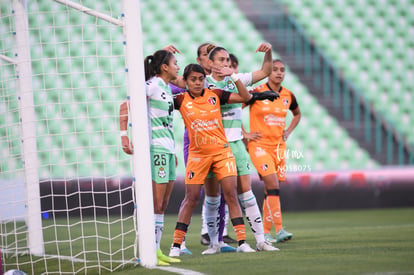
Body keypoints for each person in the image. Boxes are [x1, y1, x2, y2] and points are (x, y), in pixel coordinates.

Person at [168, 63, 279, 257]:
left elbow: (245, 97)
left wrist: (234, 76)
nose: (197, 83)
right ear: (185, 82)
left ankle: (243, 242)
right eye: (193, 79)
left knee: (230, 194)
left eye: (200, 79)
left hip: (222, 153)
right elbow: (154, 101)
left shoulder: (215, 94)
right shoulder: (180, 99)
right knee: (191, 198)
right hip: (198, 156)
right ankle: (176, 245)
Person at [202, 44, 279, 253]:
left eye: (228, 60)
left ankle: (261, 240)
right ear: (210, 63)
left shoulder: (236, 79)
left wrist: (268, 52)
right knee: (212, 197)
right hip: (213, 145)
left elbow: (265, 71)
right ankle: (214, 243)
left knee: (246, 192)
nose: (226, 64)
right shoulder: (204, 84)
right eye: (221, 60)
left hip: (235, 143)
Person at [119, 49, 181, 266]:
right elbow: (125, 105)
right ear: (164, 67)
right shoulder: (152, 85)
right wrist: (124, 136)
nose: (178, 67)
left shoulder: (166, 87)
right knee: (155, 202)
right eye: (175, 63)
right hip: (155, 150)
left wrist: (172, 151)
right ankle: (149, 250)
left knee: (163, 203)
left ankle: (156, 250)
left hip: (167, 149)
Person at [244, 59, 301, 243]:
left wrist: (289, 131)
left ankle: (266, 233)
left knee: (272, 189)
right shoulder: (257, 92)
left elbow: (297, 113)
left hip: (278, 147)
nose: (279, 73)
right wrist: (244, 134)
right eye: (275, 69)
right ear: (269, 72)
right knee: (273, 185)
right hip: (259, 146)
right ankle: (280, 229)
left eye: (282, 70)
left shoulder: (288, 95)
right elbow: (235, 107)